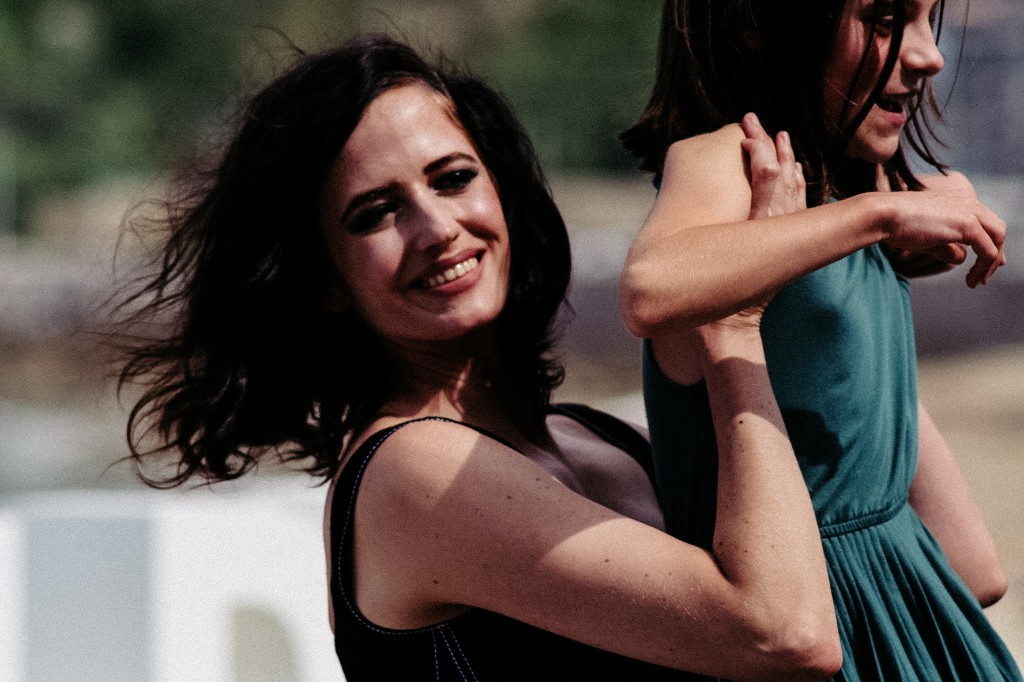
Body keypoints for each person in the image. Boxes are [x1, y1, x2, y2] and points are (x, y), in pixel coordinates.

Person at [115, 34, 842, 681]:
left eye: (453, 178)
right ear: (325, 281)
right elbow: (784, 633)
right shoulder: (409, 473)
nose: (436, 228)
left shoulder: (598, 436)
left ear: (501, 188)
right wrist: (732, 319)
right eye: (376, 213)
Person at [620, 0, 1020, 680]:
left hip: (909, 629)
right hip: (820, 636)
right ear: (758, 24)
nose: (929, 56)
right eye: (886, 20)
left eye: (927, 21)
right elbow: (650, 289)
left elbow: (976, 571)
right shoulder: (733, 158)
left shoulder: (850, 178)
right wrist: (881, 216)